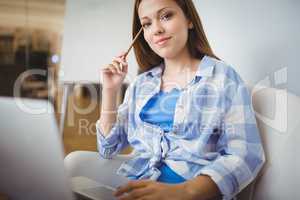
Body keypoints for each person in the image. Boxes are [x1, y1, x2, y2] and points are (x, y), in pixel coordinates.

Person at [97, 0, 265, 199]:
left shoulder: (222, 77)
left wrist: (185, 191)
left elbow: (246, 155)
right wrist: (110, 90)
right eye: (147, 24)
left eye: (166, 16)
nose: (157, 29)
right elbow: (107, 148)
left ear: (189, 20)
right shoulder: (140, 84)